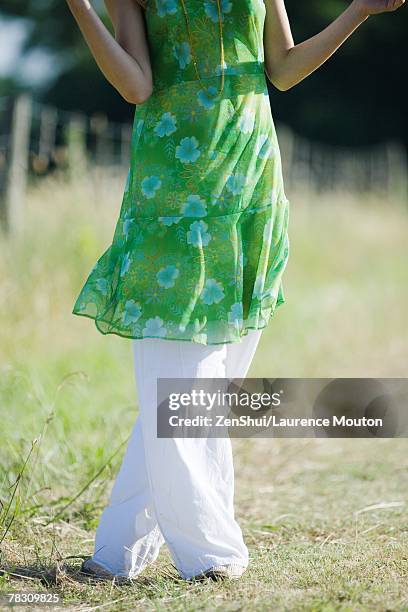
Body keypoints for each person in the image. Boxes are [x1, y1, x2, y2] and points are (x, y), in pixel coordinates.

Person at [67, 0, 405, 582]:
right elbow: (135, 84)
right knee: (180, 383)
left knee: (198, 386)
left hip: (248, 180)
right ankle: (211, 557)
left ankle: (115, 552)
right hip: (173, 190)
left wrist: (359, 12)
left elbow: (283, 67)